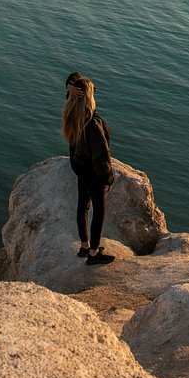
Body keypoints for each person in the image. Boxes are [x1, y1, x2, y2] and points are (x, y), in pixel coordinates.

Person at [62, 71, 115, 265]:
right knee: (99, 210)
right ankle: (94, 254)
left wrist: (69, 85)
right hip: (93, 172)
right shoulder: (92, 123)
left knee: (82, 206)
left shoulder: (73, 114)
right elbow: (101, 156)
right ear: (89, 96)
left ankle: (84, 246)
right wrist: (108, 178)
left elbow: (76, 77)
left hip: (79, 168)